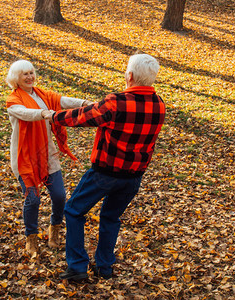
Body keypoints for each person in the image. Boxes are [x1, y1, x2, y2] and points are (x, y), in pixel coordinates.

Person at [44, 54, 166, 280]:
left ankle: (78, 267)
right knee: (110, 217)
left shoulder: (117, 101)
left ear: (129, 76)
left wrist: (53, 116)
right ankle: (105, 266)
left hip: (105, 173)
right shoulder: (159, 105)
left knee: (73, 211)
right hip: (133, 177)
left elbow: (82, 118)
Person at [5, 60, 92, 256]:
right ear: (16, 79)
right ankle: (31, 238)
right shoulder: (13, 100)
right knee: (33, 199)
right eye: (24, 74)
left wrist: (85, 104)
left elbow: (63, 101)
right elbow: (25, 113)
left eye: (31, 72)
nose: (29, 77)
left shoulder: (42, 95)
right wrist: (45, 113)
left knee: (60, 196)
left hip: (47, 154)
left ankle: (54, 230)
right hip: (24, 157)